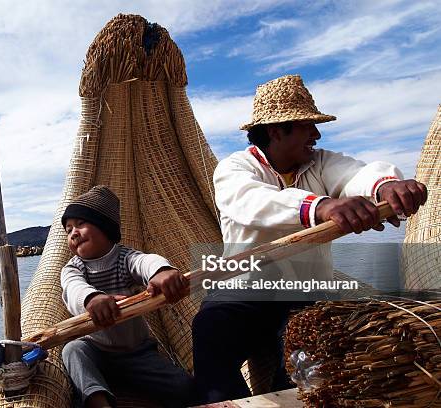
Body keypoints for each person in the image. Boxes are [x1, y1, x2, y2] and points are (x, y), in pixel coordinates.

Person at [192, 74, 427, 403]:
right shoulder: (236, 168)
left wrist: (385, 187)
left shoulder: (320, 162)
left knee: (304, 365)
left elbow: (356, 173)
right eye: (307, 126)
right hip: (244, 291)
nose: (316, 135)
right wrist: (323, 207)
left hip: (303, 293)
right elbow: (250, 202)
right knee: (210, 331)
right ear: (277, 130)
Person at [60, 185, 193, 408]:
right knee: (72, 350)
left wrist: (161, 272)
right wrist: (92, 299)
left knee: (184, 387)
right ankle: (98, 401)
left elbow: (145, 262)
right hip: (96, 351)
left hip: (136, 354)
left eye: (81, 224)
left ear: (105, 227)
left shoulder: (125, 258)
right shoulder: (74, 268)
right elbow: (73, 288)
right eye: (68, 229)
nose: (73, 232)